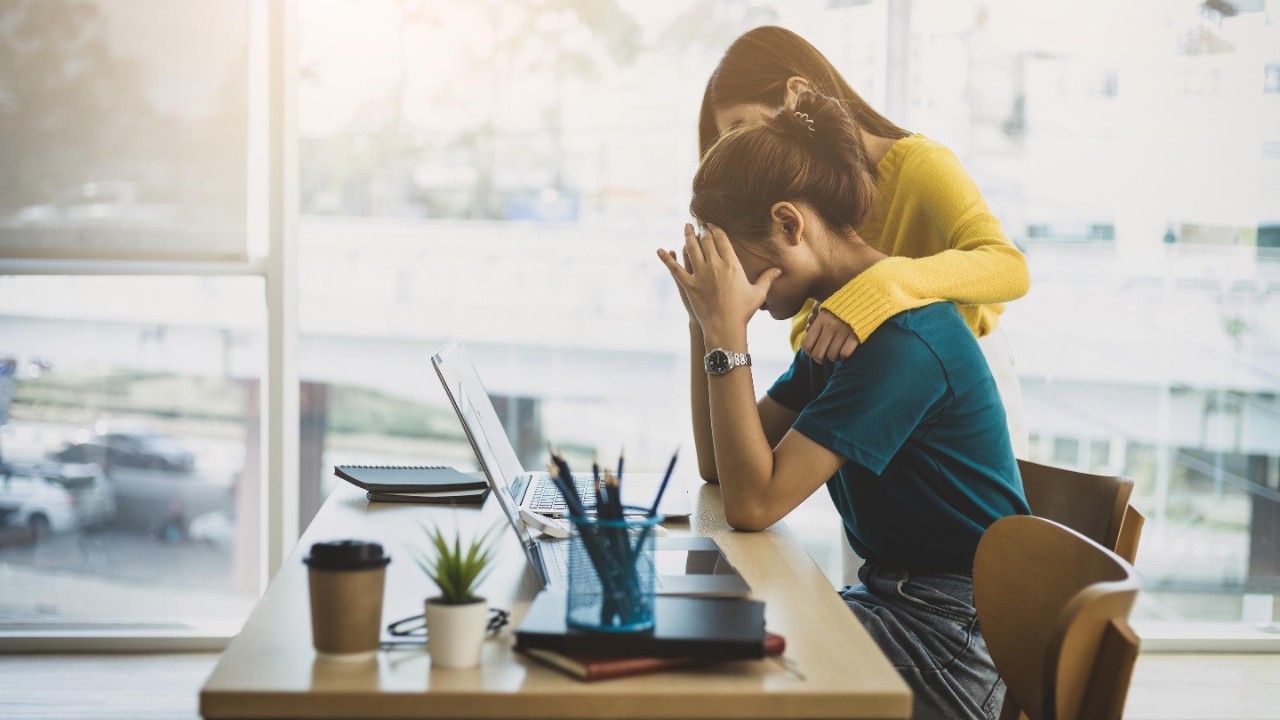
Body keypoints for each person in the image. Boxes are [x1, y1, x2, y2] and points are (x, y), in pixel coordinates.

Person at [657, 88, 1030, 720]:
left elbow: (752, 503)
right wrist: (705, 323)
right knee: (692, 642)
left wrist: (728, 335)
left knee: (711, 683)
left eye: (732, 257)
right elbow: (720, 468)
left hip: (952, 641)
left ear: (788, 224)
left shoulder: (898, 342)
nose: (730, 279)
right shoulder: (842, 323)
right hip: (894, 604)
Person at [698, 26, 1030, 457]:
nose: (740, 152)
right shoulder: (806, 210)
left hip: (953, 401)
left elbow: (1008, 267)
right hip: (864, 388)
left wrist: (878, 286)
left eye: (741, 129)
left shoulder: (919, 166)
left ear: (795, 95)